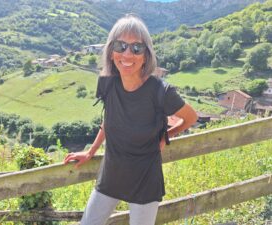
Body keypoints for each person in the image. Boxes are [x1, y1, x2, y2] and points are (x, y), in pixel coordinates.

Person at [64, 14, 197, 225]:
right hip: (111, 174)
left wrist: (165, 135)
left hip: (145, 179)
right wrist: (90, 151)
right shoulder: (107, 82)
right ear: (111, 51)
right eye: (121, 46)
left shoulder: (160, 91)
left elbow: (191, 117)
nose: (127, 53)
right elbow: (109, 119)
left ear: (146, 55)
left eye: (137, 48)